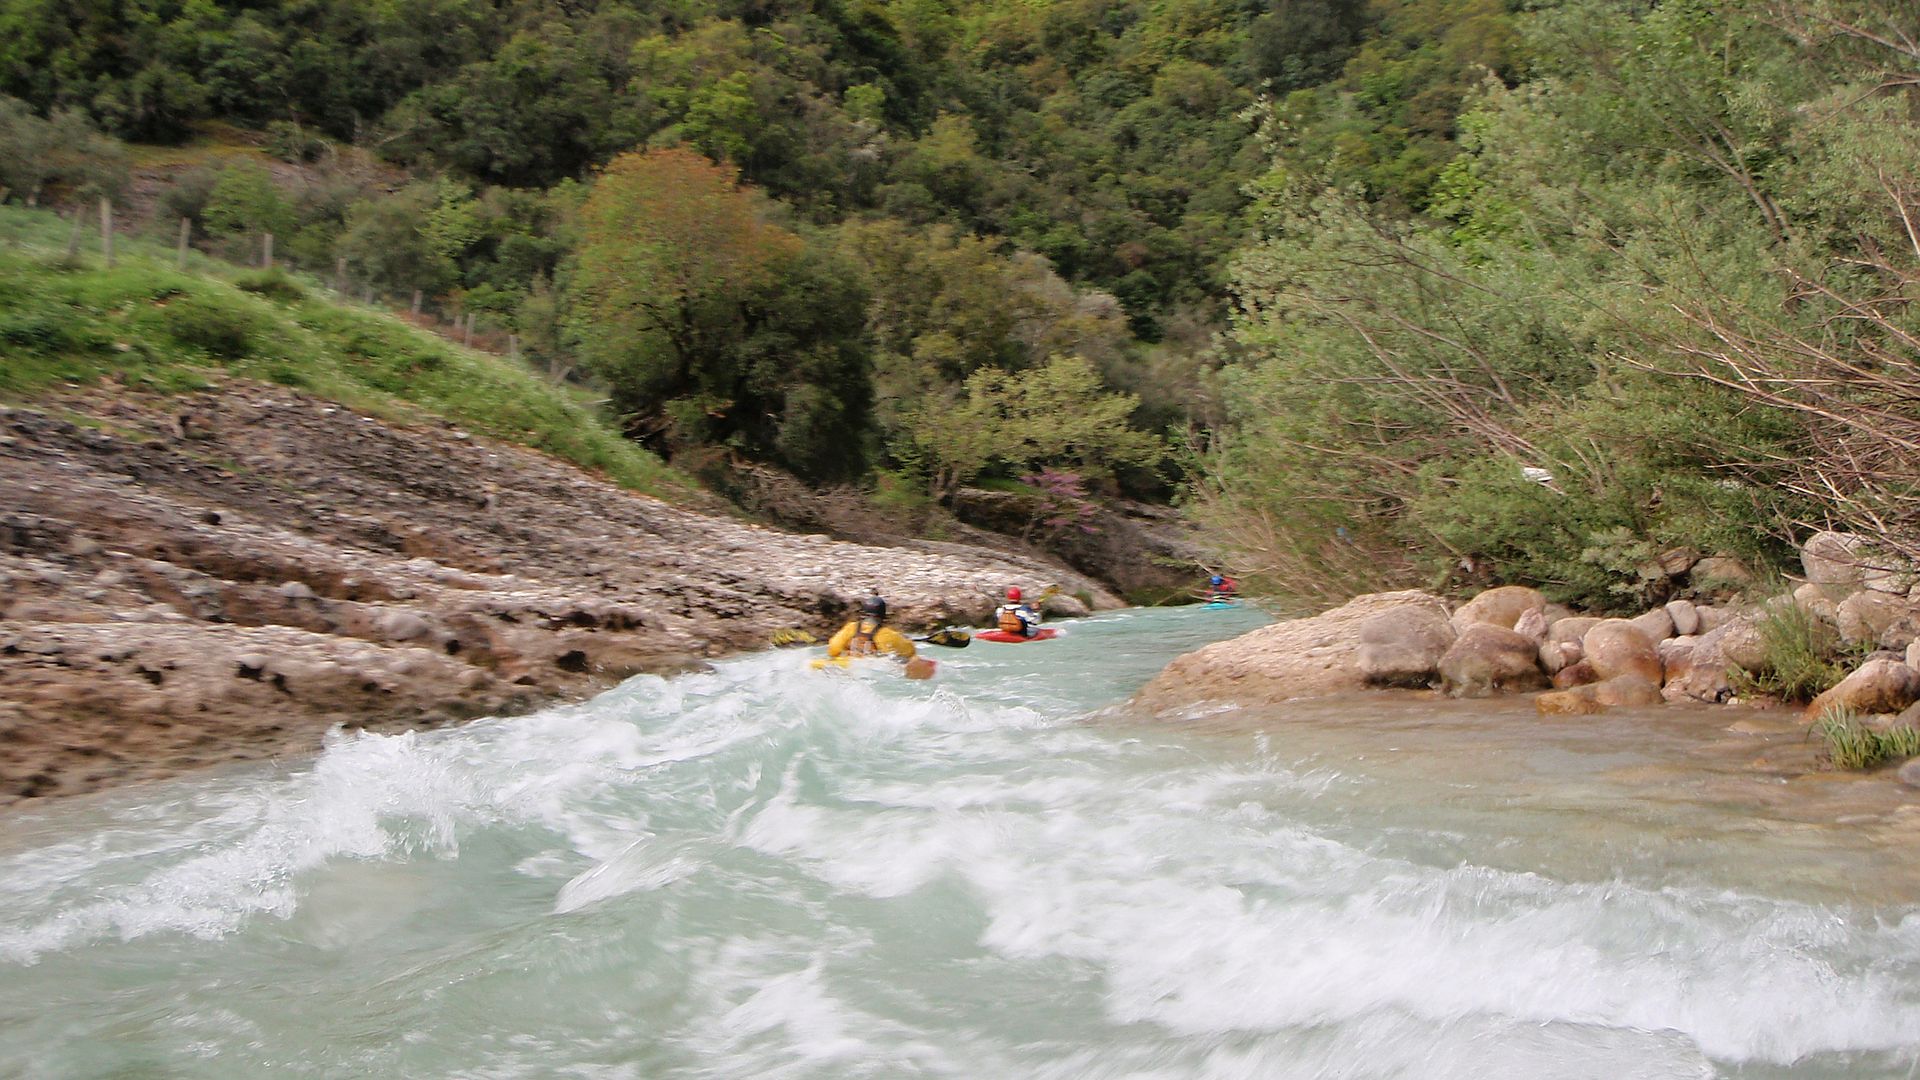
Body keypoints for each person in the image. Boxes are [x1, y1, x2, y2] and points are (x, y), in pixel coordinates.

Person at [827, 595, 917, 662]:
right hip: (870, 667)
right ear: (883, 616)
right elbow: (910, 652)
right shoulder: (887, 634)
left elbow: (833, 649)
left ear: (863, 613)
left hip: (847, 664)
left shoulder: (850, 628)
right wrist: (906, 640)